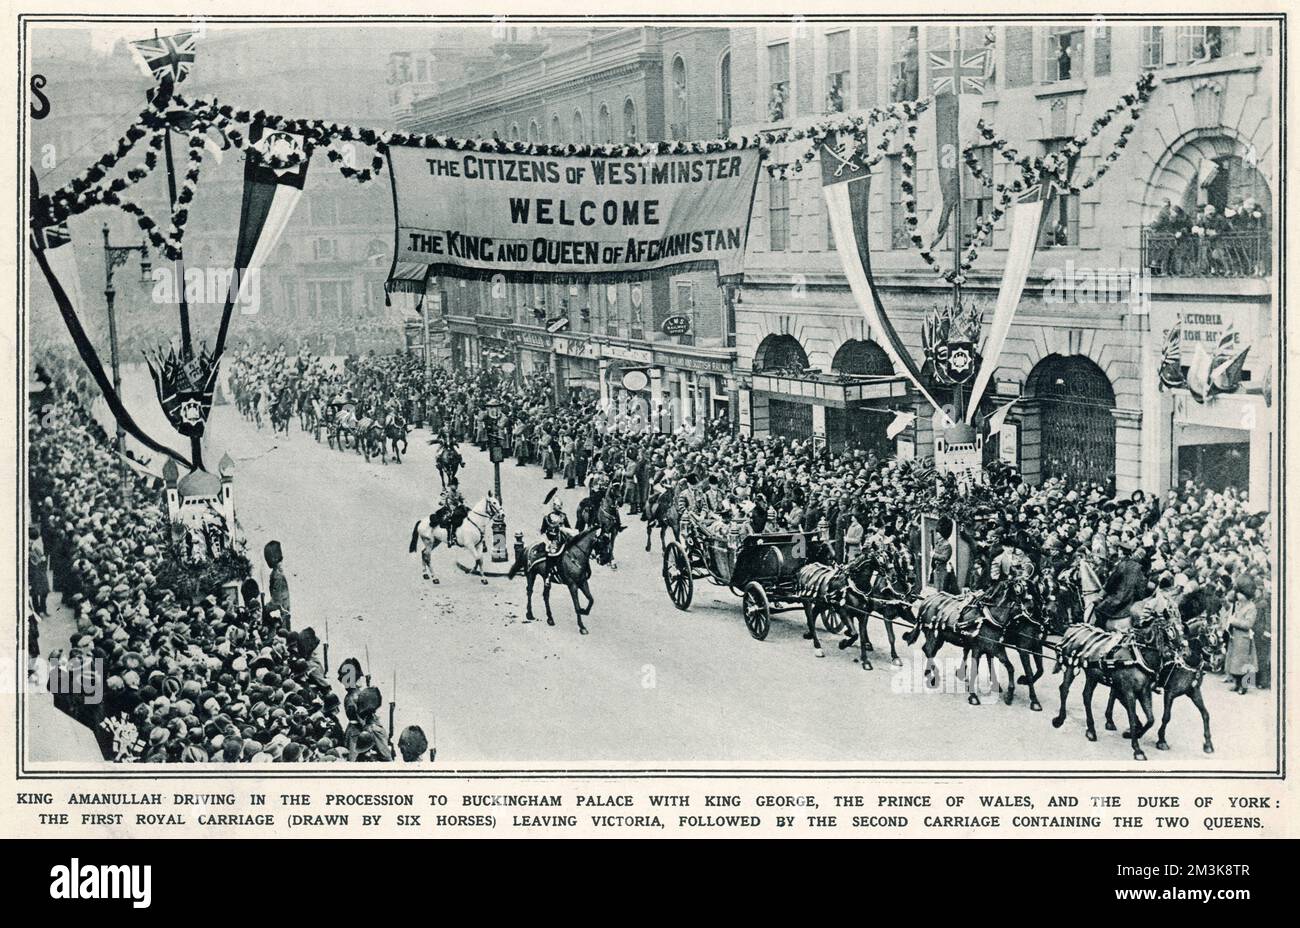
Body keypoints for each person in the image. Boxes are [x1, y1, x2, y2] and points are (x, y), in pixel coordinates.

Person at [1224, 575, 1258, 694]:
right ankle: (1237, 683)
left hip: (1244, 638)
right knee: (1234, 662)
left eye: (1240, 594)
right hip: (1236, 637)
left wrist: (1234, 621)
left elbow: (1248, 624)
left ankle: (1244, 686)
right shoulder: (1239, 604)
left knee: (1244, 662)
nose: (1237, 596)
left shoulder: (1251, 607)